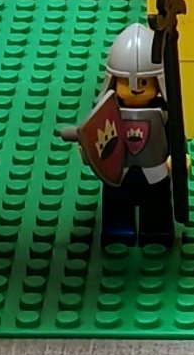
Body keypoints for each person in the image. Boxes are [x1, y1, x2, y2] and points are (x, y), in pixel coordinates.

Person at [58, 22, 180, 247]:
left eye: (145, 82)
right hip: (118, 170)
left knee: (157, 204)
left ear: (158, 82)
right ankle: (117, 231)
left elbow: (175, 136)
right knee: (116, 203)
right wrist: (90, 148)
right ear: (113, 81)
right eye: (126, 82)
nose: (136, 88)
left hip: (156, 169)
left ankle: (156, 232)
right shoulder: (110, 112)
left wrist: (179, 157)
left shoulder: (163, 114)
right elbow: (97, 132)